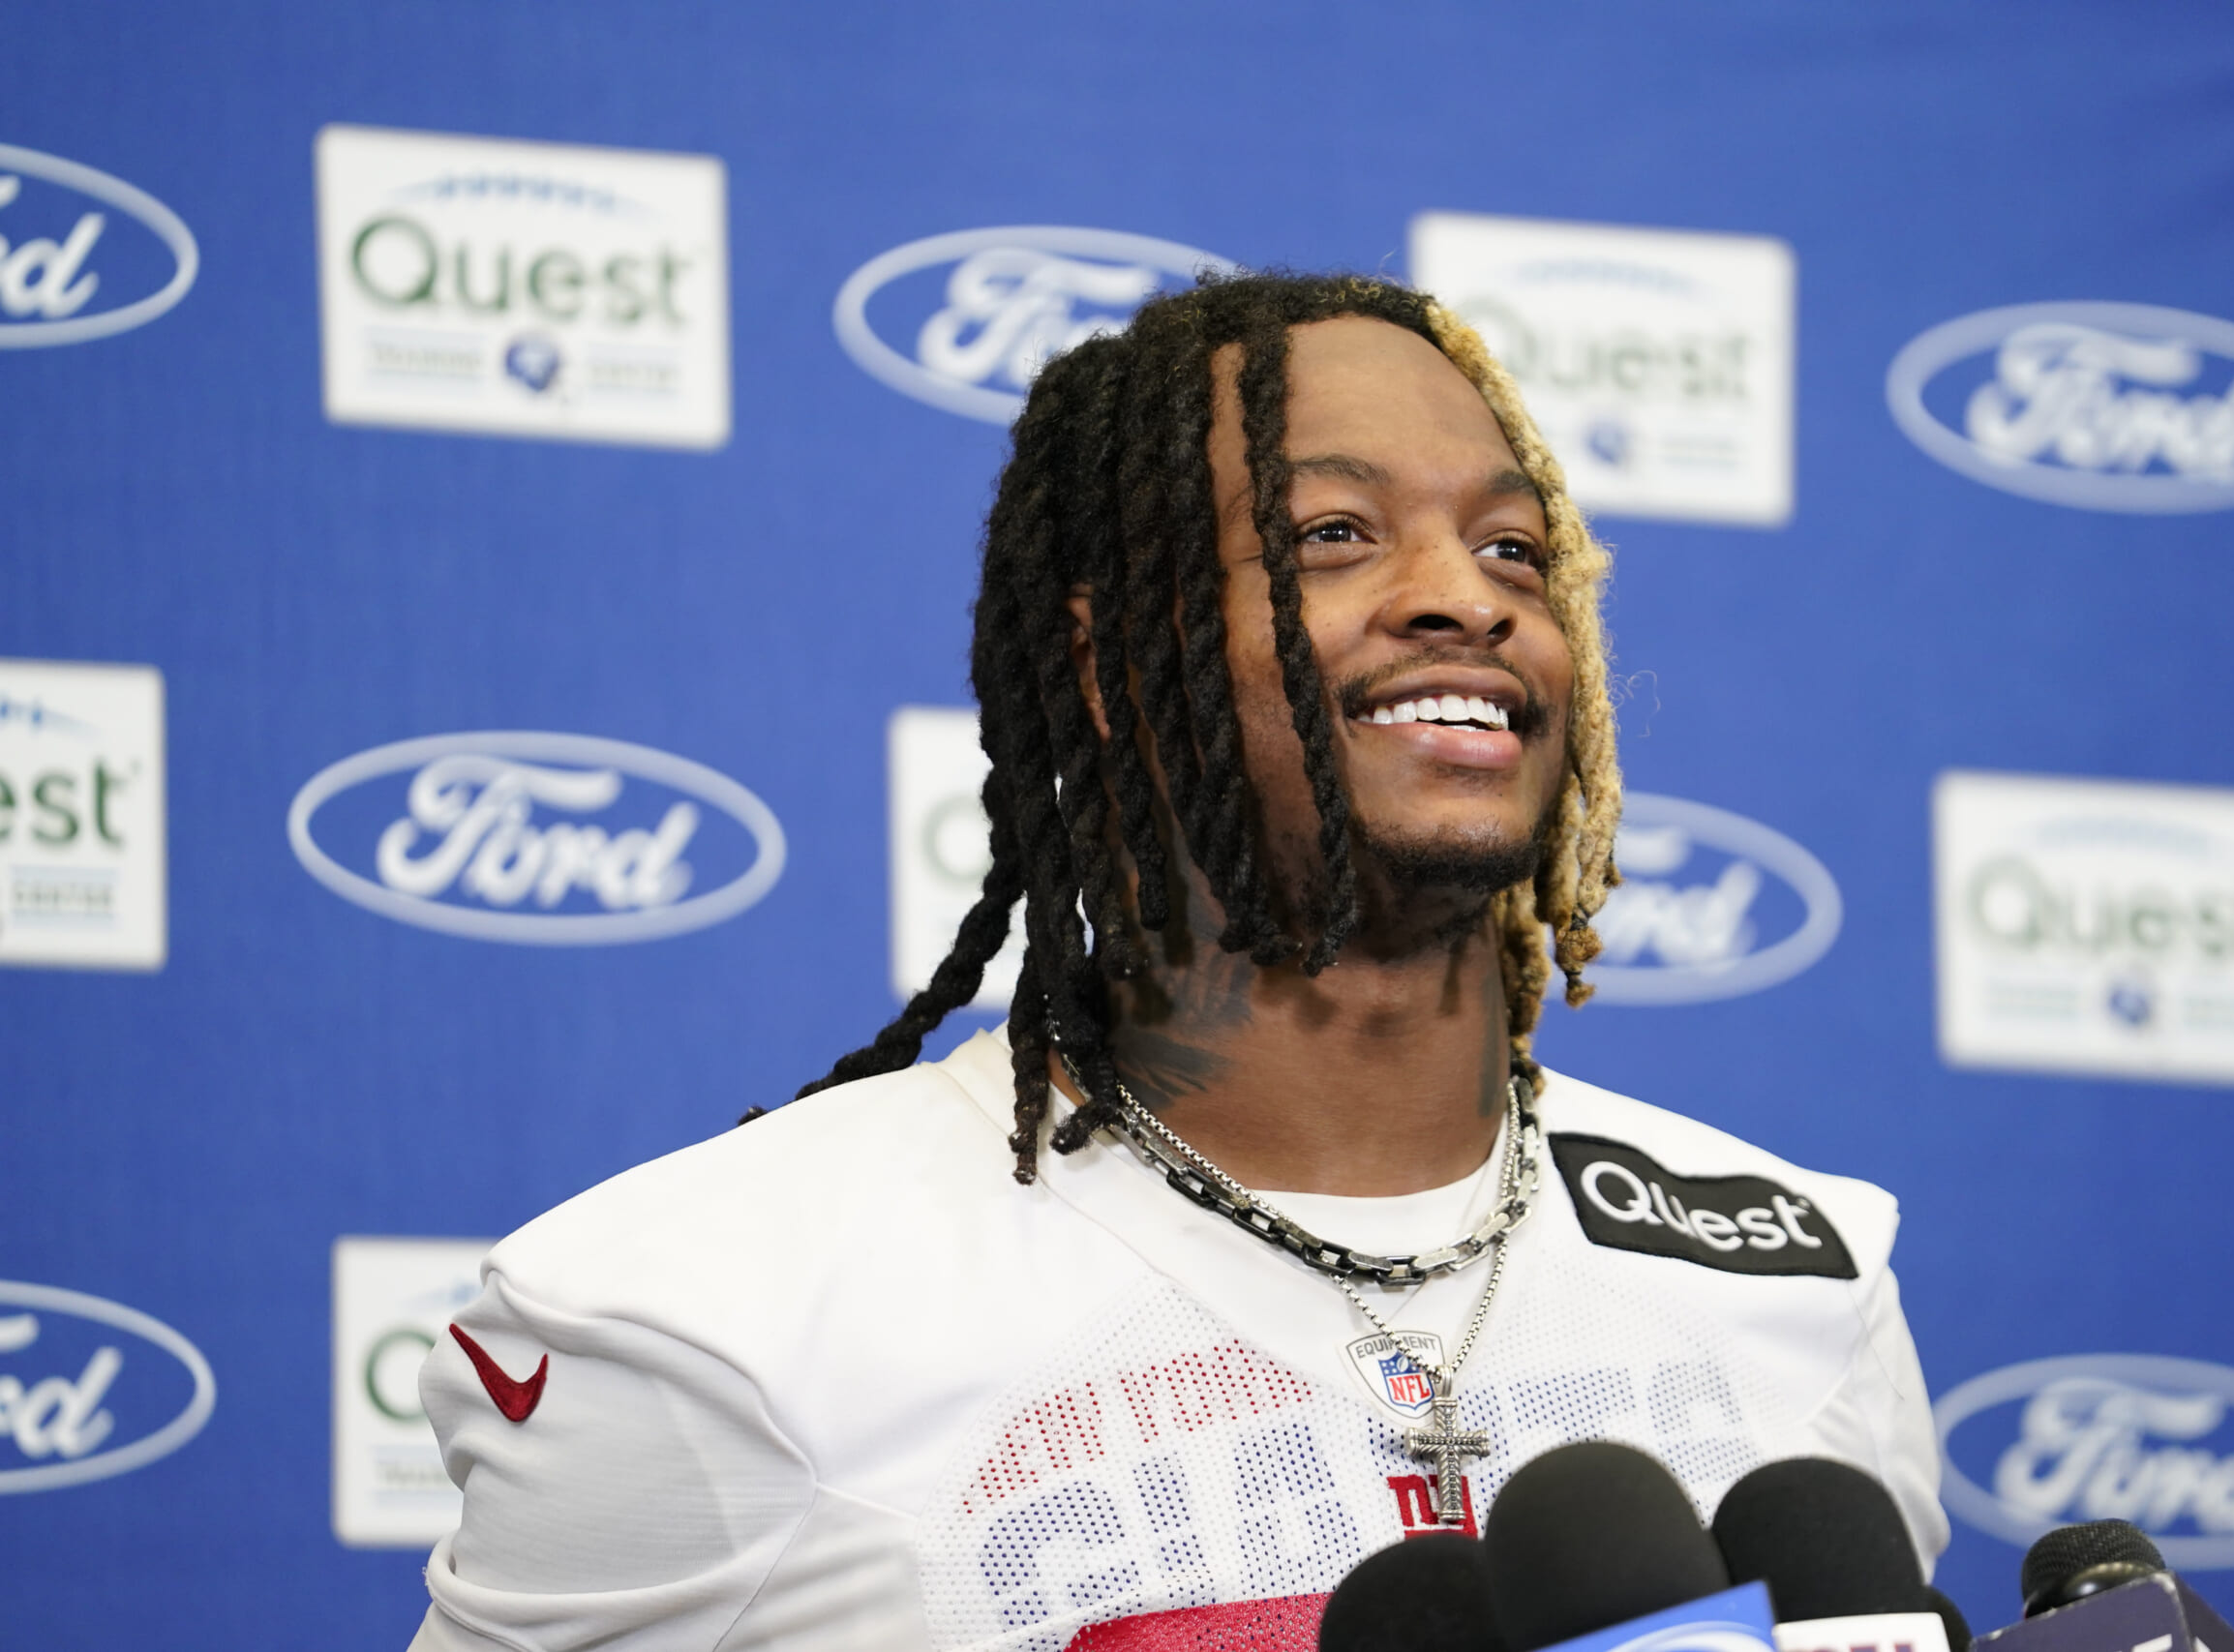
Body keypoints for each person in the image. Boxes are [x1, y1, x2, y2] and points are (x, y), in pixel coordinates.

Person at [408, 273, 1946, 1652]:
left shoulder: (1805, 1276)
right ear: (1106, 663)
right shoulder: (704, 1320)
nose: (1467, 596)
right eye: (1332, 536)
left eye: (1513, 548)